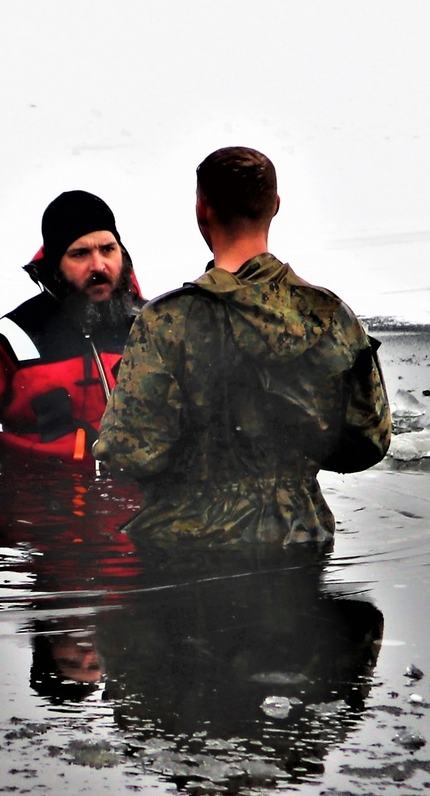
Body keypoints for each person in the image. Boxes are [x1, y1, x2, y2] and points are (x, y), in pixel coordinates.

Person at [95, 146, 391, 548]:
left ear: (202, 210)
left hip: (187, 546)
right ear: (276, 206)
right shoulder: (329, 315)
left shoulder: (167, 320)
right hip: (301, 536)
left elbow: (128, 453)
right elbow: (369, 441)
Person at [0, 190, 143, 492]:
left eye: (107, 249)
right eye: (80, 254)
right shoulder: (12, 340)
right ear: (55, 265)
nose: (99, 265)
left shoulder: (154, 328)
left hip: (140, 512)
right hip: (36, 511)